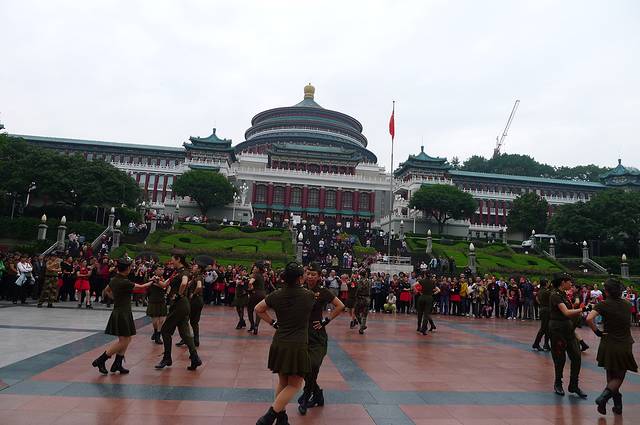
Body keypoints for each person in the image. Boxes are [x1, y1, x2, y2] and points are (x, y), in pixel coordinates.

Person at [254, 261, 315, 425]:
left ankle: (281, 418)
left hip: (280, 341)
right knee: (295, 385)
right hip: (297, 344)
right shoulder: (308, 295)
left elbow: (258, 309)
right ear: (300, 278)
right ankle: (268, 417)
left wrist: (273, 323)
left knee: (283, 382)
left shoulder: (276, 295)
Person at [298, 262, 345, 415]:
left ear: (319, 276)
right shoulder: (300, 290)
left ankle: (306, 396)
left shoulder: (323, 291)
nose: (310, 276)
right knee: (303, 366)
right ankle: (317, 394)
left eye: (314, 274)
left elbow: (340, 306)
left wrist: (326, 320)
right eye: (308, 273)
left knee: (313, 365)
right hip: (302, 334)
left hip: (317, 335)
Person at [91, 258, 153, 375]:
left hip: (120, 311)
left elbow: (106, 290)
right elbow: (141, 287)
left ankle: (117, 363)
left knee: (126, 339)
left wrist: (115, 298)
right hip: (123, 312)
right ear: (127, 268)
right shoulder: (124, 282)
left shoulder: (114, 279)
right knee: (123, 341)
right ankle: (101, 360)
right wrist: (152, 281)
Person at [587, 278, 638, 415]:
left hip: (608, 341)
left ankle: (613, 404)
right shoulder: (627, 304)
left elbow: (589, 318)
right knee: (619, 376)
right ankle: (605, 399)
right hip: (624, 343)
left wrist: (597, 332)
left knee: (611, 374)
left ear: (607, 291)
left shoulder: (603, 304)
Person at [155, 250, 202, 371]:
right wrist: (156, 281)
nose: (171, 261)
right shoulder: (176, 272)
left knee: (165, 331)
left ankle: (167, 358)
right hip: (182, 305)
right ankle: (195, 358)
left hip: (179, 305)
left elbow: (184, 282)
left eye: (173, 259)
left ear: (178, 259)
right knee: (185, 334)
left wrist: (179, 295)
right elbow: (164, 285)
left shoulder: (184, 272)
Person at [548, 273, 587, 398]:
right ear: (562, 282)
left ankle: (574, 385)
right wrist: (583, 309)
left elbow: (569, 309)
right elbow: (566, 312)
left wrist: (577, 305)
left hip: (568, 328)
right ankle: (558, 383)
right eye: (569, 281)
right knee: (560, 357)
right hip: (557, 329)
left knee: (576, 356)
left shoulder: (564, 294)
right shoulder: (555, 295)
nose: (571, 284)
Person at [177, 262, 204, 347]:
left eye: (195, 266)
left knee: (186, 319)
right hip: (198, 301)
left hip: (195, 301)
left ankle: (186, 339)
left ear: (199, 269)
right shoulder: (195, 277)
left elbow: (199, 286)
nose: (193, 267)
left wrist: (193, 293)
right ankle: (195, 340)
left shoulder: (198, 277)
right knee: (194, 322)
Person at [146, 265, 167, 345]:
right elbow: (163, 285)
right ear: (155, 271)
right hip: (153, 300)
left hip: (162, 300)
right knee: (155, 321)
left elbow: (165, 286)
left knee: (162, 319)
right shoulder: (151, 278)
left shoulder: (163, 278)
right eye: (159, 269)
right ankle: (155, 332)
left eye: (162, 269)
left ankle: (158, 335)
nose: (162, 270)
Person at [247, 261, 267, 335]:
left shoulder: (256, 275)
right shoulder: (261, 275)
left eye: (255, 267)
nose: (254, 268)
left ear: (258, 268)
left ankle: (252, 325)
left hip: (255, 294)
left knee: (250, 309)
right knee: (259, 310)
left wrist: (251, 288)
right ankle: (256, 326)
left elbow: (250, 282)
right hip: (263, 294)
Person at [532, 279, 551, 351]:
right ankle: (536, 344)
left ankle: (546, 344)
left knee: (547, 328)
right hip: (546, 310)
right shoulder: (547, 291)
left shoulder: (539, 291)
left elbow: (537, 298)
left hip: (542, 308)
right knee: (543, 328)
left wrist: (541, 304)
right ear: (546, 283)